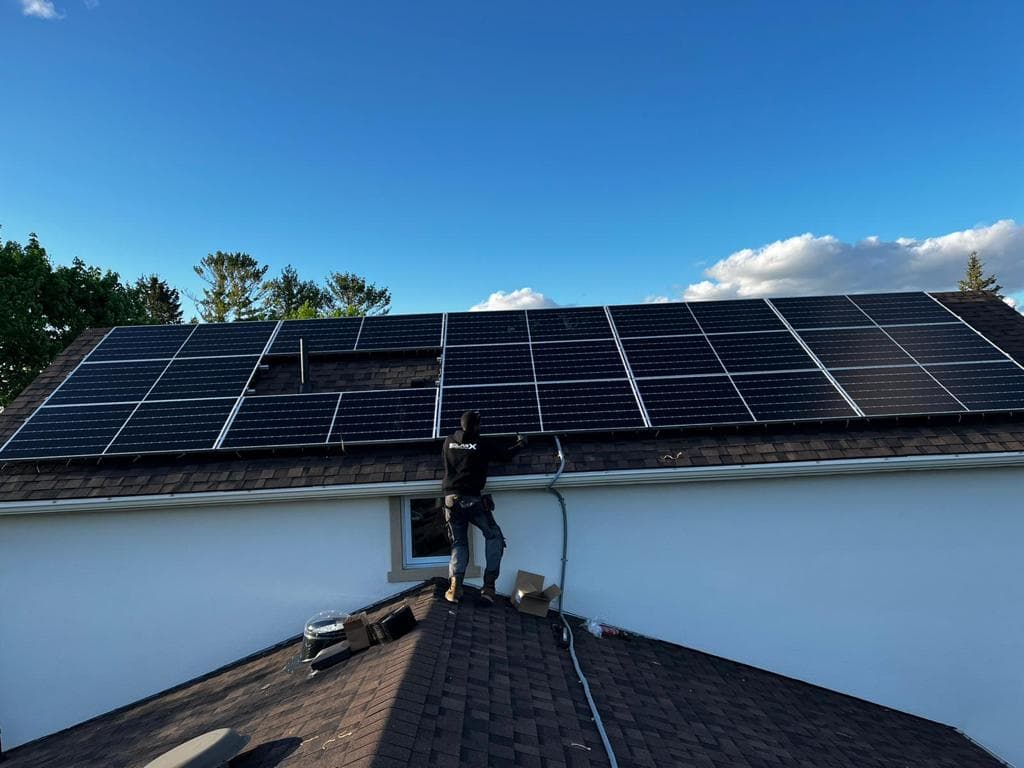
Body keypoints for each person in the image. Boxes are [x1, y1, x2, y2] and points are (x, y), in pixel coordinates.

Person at [441, 410, 528, 604]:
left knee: (459, 543)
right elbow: (506, 455)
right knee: (494, 536)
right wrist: (521, 443)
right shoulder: (482, 444)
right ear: (477, 427)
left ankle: (455, 587)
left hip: (450, 500)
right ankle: (489, 587)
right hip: (472, 499)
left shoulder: (448, 442)